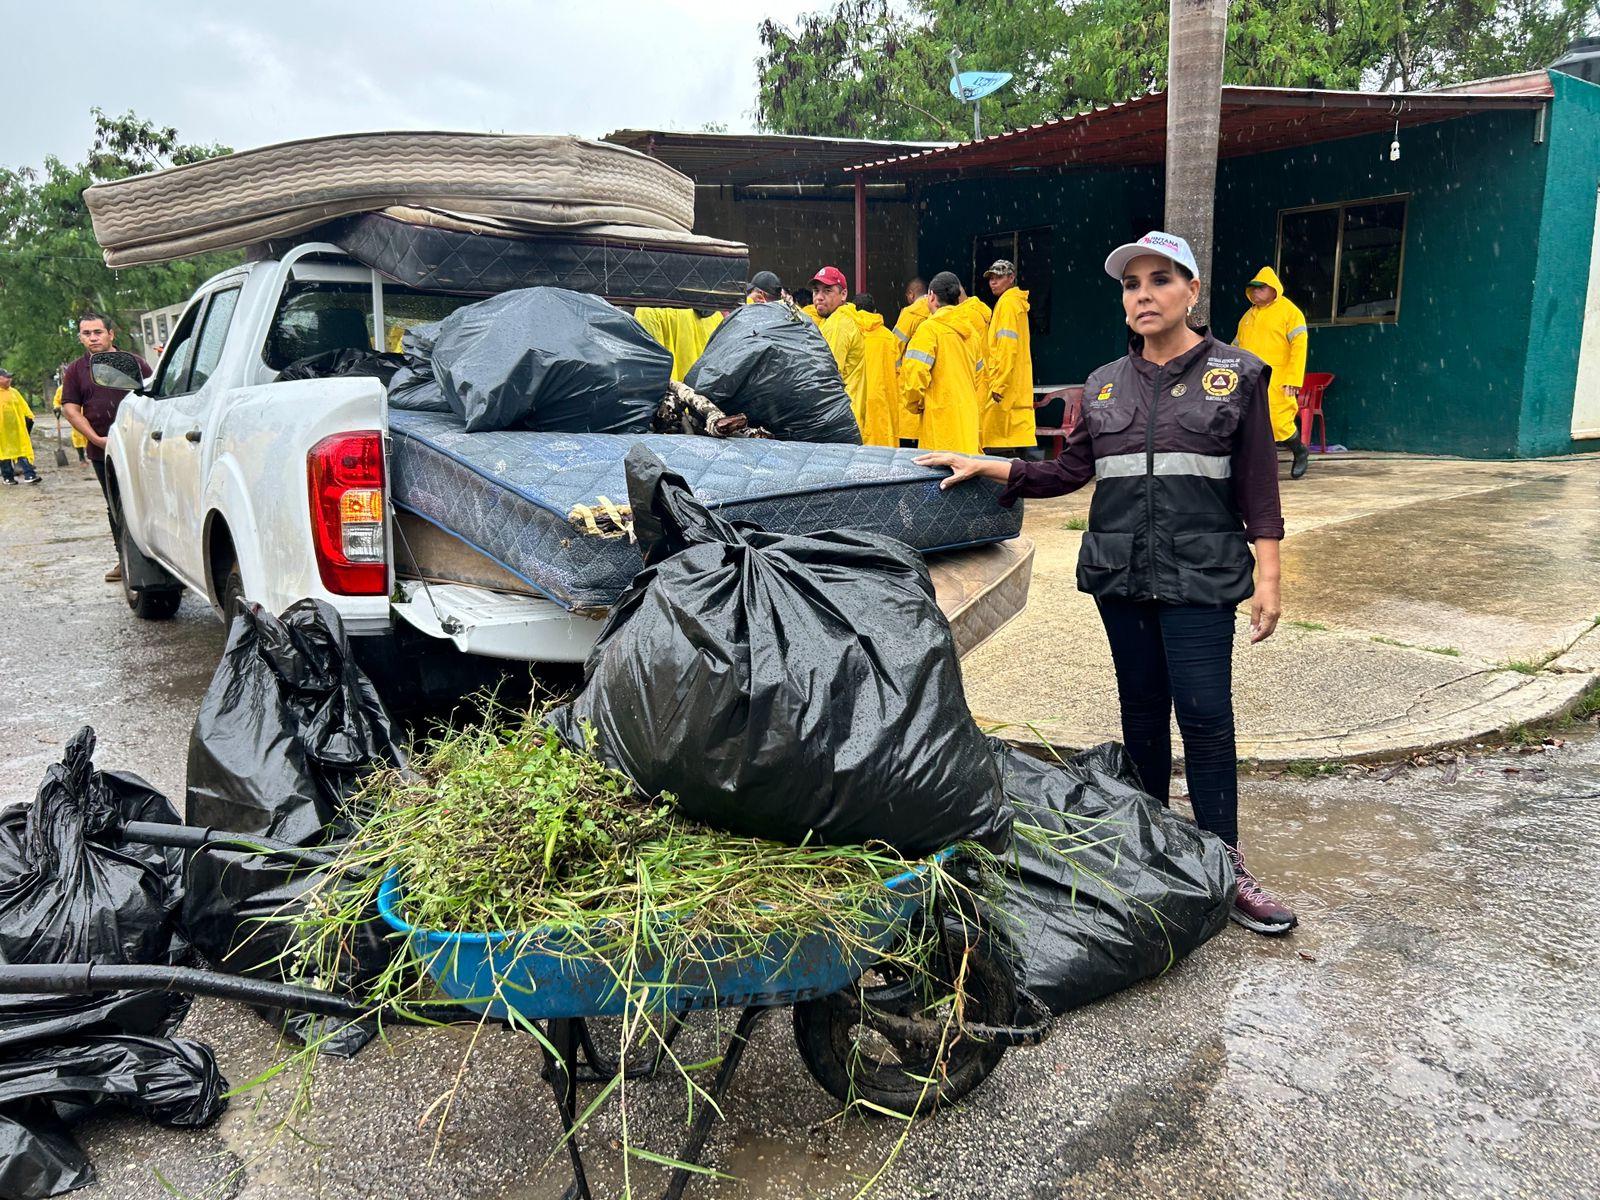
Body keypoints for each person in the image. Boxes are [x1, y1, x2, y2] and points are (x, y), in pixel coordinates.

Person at [915, 231, 1296, 936]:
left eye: (1159, 280)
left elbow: (1258, 488)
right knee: (1142, 714)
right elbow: (1068, 473)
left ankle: (1225, 862)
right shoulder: (1101, 385)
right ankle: (1157, 852)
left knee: (1206, 717)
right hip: (1123, 574)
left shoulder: (1237, 374)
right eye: (1131, 284)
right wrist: (992, 466)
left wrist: (1269, 577)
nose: (1143, 295)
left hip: (1202, 573)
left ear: (1190, 291)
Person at [60, 312, 150, 582]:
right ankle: (125, 561)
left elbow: (155, 396)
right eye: (86, 334)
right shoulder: (76, 370)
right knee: (116, 505)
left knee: (147, 501)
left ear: (112, 334)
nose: (93, 338)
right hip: (103, 451)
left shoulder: (134, 364)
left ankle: (157, 558)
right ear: (80, 338)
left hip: (139, 449)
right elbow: (71, 409)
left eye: (97, 332)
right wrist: (96, 438)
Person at [1233, 267, 1311, 479]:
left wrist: (1294, 378)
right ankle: (1258, 467)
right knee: (1249, 422)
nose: (1256, 292)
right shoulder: (1247, 316)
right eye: (1253, 289)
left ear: (1273, 289)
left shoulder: (1290, 312)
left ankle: (1300, 451)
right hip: (1250, 377)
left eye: (1261, 288)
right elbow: (1236, 346)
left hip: (1280, 378)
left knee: (1278, 421)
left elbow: (1299, 347)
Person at [899, 271, 982, 455]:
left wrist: (914, 404)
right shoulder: (972, 333)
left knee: (940, 480)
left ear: (931, 296)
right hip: (967, 422)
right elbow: (979, 377)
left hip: (940, 425)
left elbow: (915, 376)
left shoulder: (929, 330)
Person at [980, 259, 1038, 456]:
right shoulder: (1015, 303)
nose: (993, 282)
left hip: (1002, 385)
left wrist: (999, 384)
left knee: (997, 445)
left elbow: (1006, 347)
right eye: (991, 278)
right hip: (1012, 384)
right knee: (1011, 443)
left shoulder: (1007, 304)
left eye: (998, 277)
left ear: (1011, 278)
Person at [847, 293, 900, 447]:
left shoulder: (851, 331)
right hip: (882, 403)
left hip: (856, 399)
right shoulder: (889, 337)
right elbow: (897, 372)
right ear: (875, 311)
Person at [811, 266, 866, 413]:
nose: (819, 297)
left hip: (837, 415)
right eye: (816, 291)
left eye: (827, 291)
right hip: (847, 412)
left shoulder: (838, 324)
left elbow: (825, 375)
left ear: (843, 294)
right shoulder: (838, 320)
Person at [0, 368, 41, 485]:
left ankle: (30, 475)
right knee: (4, 454)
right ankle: (8, 477)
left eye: (10, 377)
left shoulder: (14, 392)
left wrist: (29, 420)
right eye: (6, 377)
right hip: (2, 433)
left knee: (23, 451)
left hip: (17, 431)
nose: (9, 379)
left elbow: (25, 408)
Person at [53, 377, 89, 463]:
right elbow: (57, 401)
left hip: (88, 413)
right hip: (74, 415)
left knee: (91, 434)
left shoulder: (83, 386)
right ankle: (81, 457)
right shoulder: (62, 389)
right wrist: (57, 407)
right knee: (77, 435)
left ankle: (92, 454)